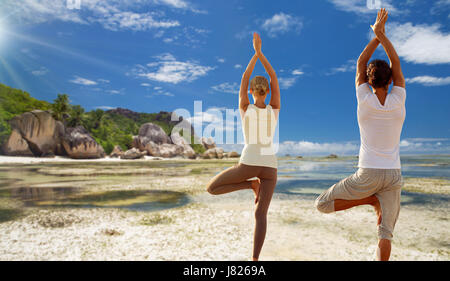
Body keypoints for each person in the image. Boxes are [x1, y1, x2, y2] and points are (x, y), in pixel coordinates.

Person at [314, 8, 406, 261]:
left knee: (321, 204)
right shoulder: (399, 99)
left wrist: (376, 35)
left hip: (367, 174)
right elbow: (396, 64)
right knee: (385, 235)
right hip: (393, 175)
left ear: (368, 81)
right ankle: (372, 200)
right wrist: (383, 36)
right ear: (390, 82)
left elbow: (360, 63)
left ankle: (367, 200)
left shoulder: (363, 98)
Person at [206, 33, 280, 261]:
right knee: (261, 215)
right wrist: (262, 54)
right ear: (267, 91)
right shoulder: (274, 108)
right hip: (270, 167)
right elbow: (273, 76)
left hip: (248, 163)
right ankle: (255, 260)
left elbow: (245, 75)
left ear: (251, 91)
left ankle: (250, 185)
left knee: (212, 188)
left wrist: (254, 53)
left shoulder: (245, 107)